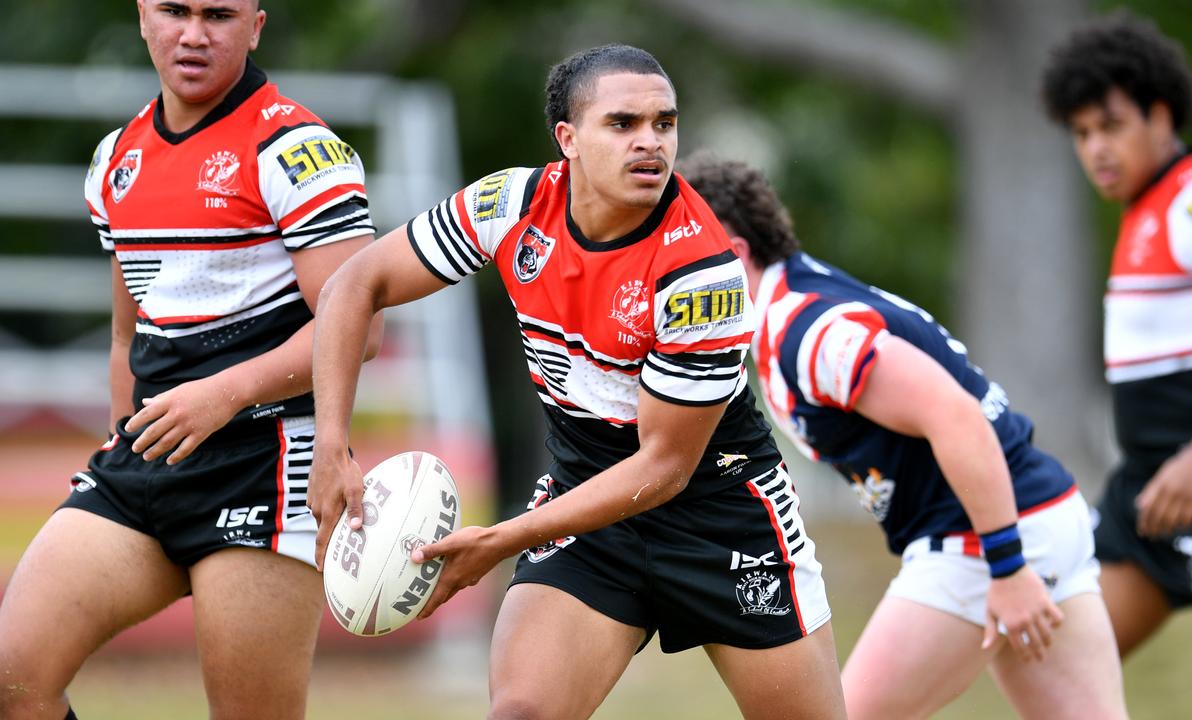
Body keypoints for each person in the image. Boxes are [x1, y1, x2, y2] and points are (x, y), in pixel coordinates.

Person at [308, 44, 845, 720]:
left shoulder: (699, 273)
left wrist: (505, 538)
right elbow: (357, 283)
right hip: (587, 508)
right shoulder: (509, 206)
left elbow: (666, 466)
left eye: (664, 123)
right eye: (623, 124)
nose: (650, 142)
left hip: (722, 519)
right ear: (568, 139)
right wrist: (332, 444)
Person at [0, 2, 380, 718]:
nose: (194, 34)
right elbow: (126, 335)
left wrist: (226, 393)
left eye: (219, 14)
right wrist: (125, 435)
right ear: (142, 16)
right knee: (12, 679)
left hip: (264, 463)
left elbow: (357, 330)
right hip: (148, 460)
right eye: (174, 10)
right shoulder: (117, 157)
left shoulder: (297, 147)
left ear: (257, 26)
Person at [680, 154, 1128, 719]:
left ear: (734, 253)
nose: (661, 277)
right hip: (1041, 516)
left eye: (675, 255)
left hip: (983, 542)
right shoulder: (797, 302)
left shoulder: (807, 332)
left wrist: (1009, 568)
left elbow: (956, 417)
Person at [1042, 13, 1192, 717]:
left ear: (1161, 112)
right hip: (1148, 498)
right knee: (1053, 659)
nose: (1096, 150)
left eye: (1111, 126)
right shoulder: (1147, 209)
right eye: (1082, 134)